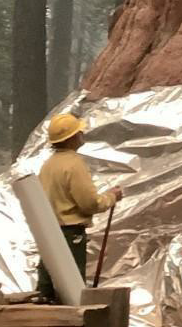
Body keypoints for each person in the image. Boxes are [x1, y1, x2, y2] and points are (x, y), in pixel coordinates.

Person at [37, 114, 123, 300]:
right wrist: (111, 197)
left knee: (47, 289)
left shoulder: (48, 165)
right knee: (72, 290)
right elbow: (89, 204)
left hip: (48, 233)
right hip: (70, 235)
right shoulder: (74, 165)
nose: (82, 133)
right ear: (72, 138)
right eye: (78, 132)